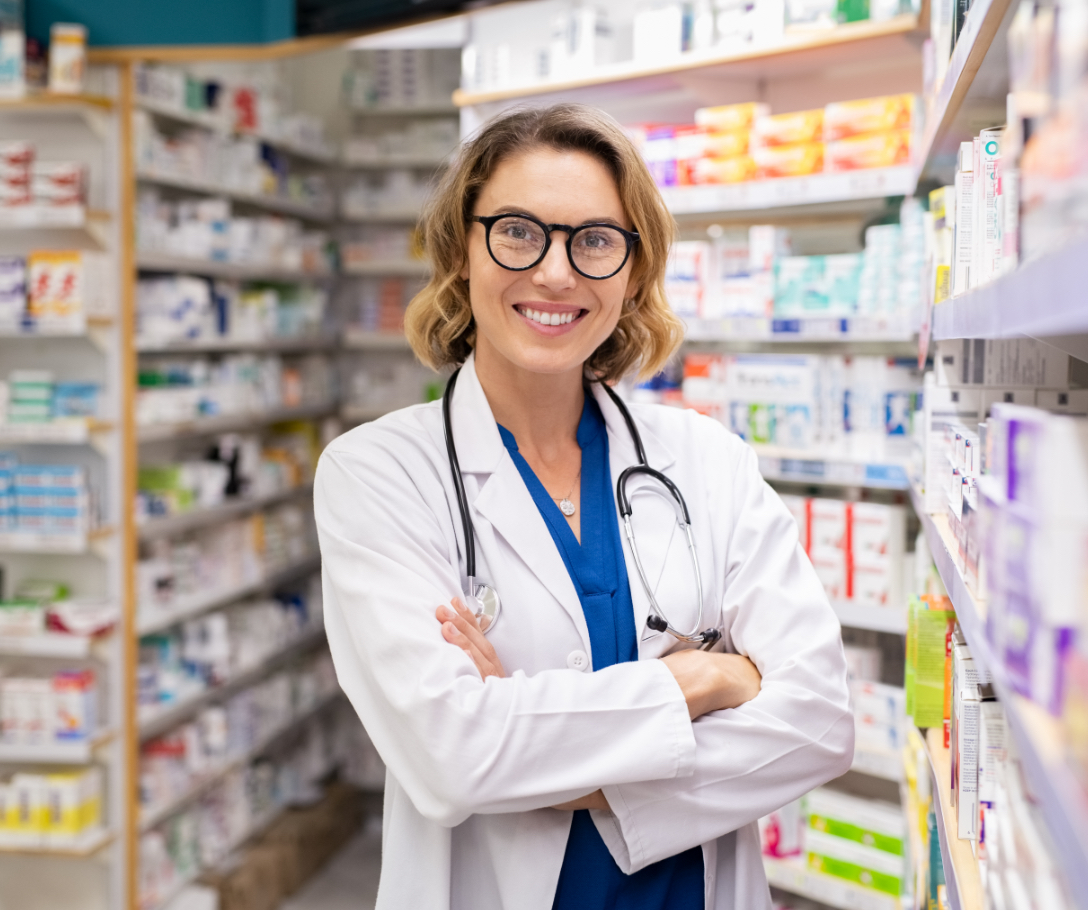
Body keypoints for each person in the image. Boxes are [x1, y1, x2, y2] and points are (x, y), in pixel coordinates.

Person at [313, 103, 853, 910]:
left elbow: (818, 721)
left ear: (633, 271)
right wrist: (704, 679)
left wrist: (547, 763)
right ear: (461, 250)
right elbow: (451, 756)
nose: (556, 274)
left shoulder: (705, 459)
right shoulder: (380, 473)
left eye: (595, 240)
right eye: (517, 232)